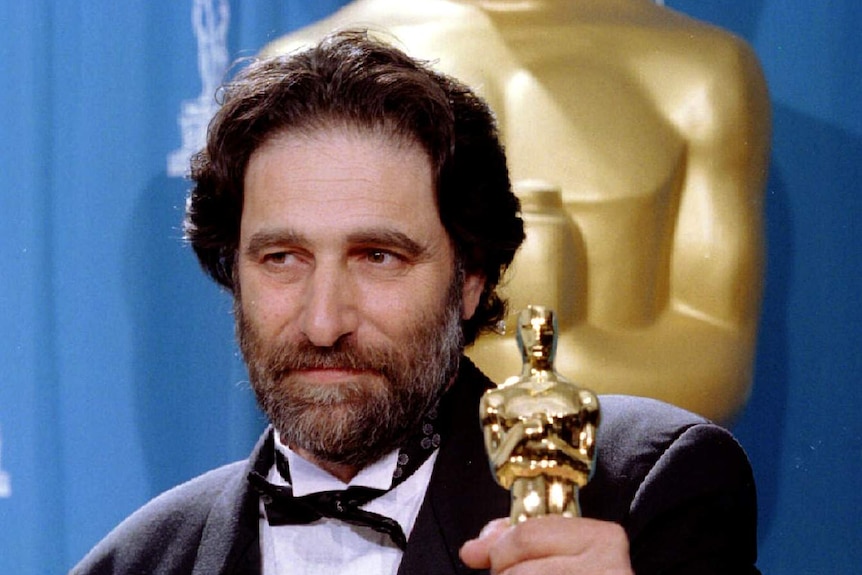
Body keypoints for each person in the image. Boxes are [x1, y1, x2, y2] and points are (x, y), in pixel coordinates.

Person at [72, 31, 759, 574]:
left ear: (470, 278)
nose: (323, 322)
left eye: (378, 257)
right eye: (282, 258)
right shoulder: (137, 561)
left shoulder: (641, 495)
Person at [264, 0, 772, 424]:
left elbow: (717, 361)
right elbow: (293, 348)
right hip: (364, 508)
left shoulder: (702, 72)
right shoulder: (301, 67)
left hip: (609, 508)